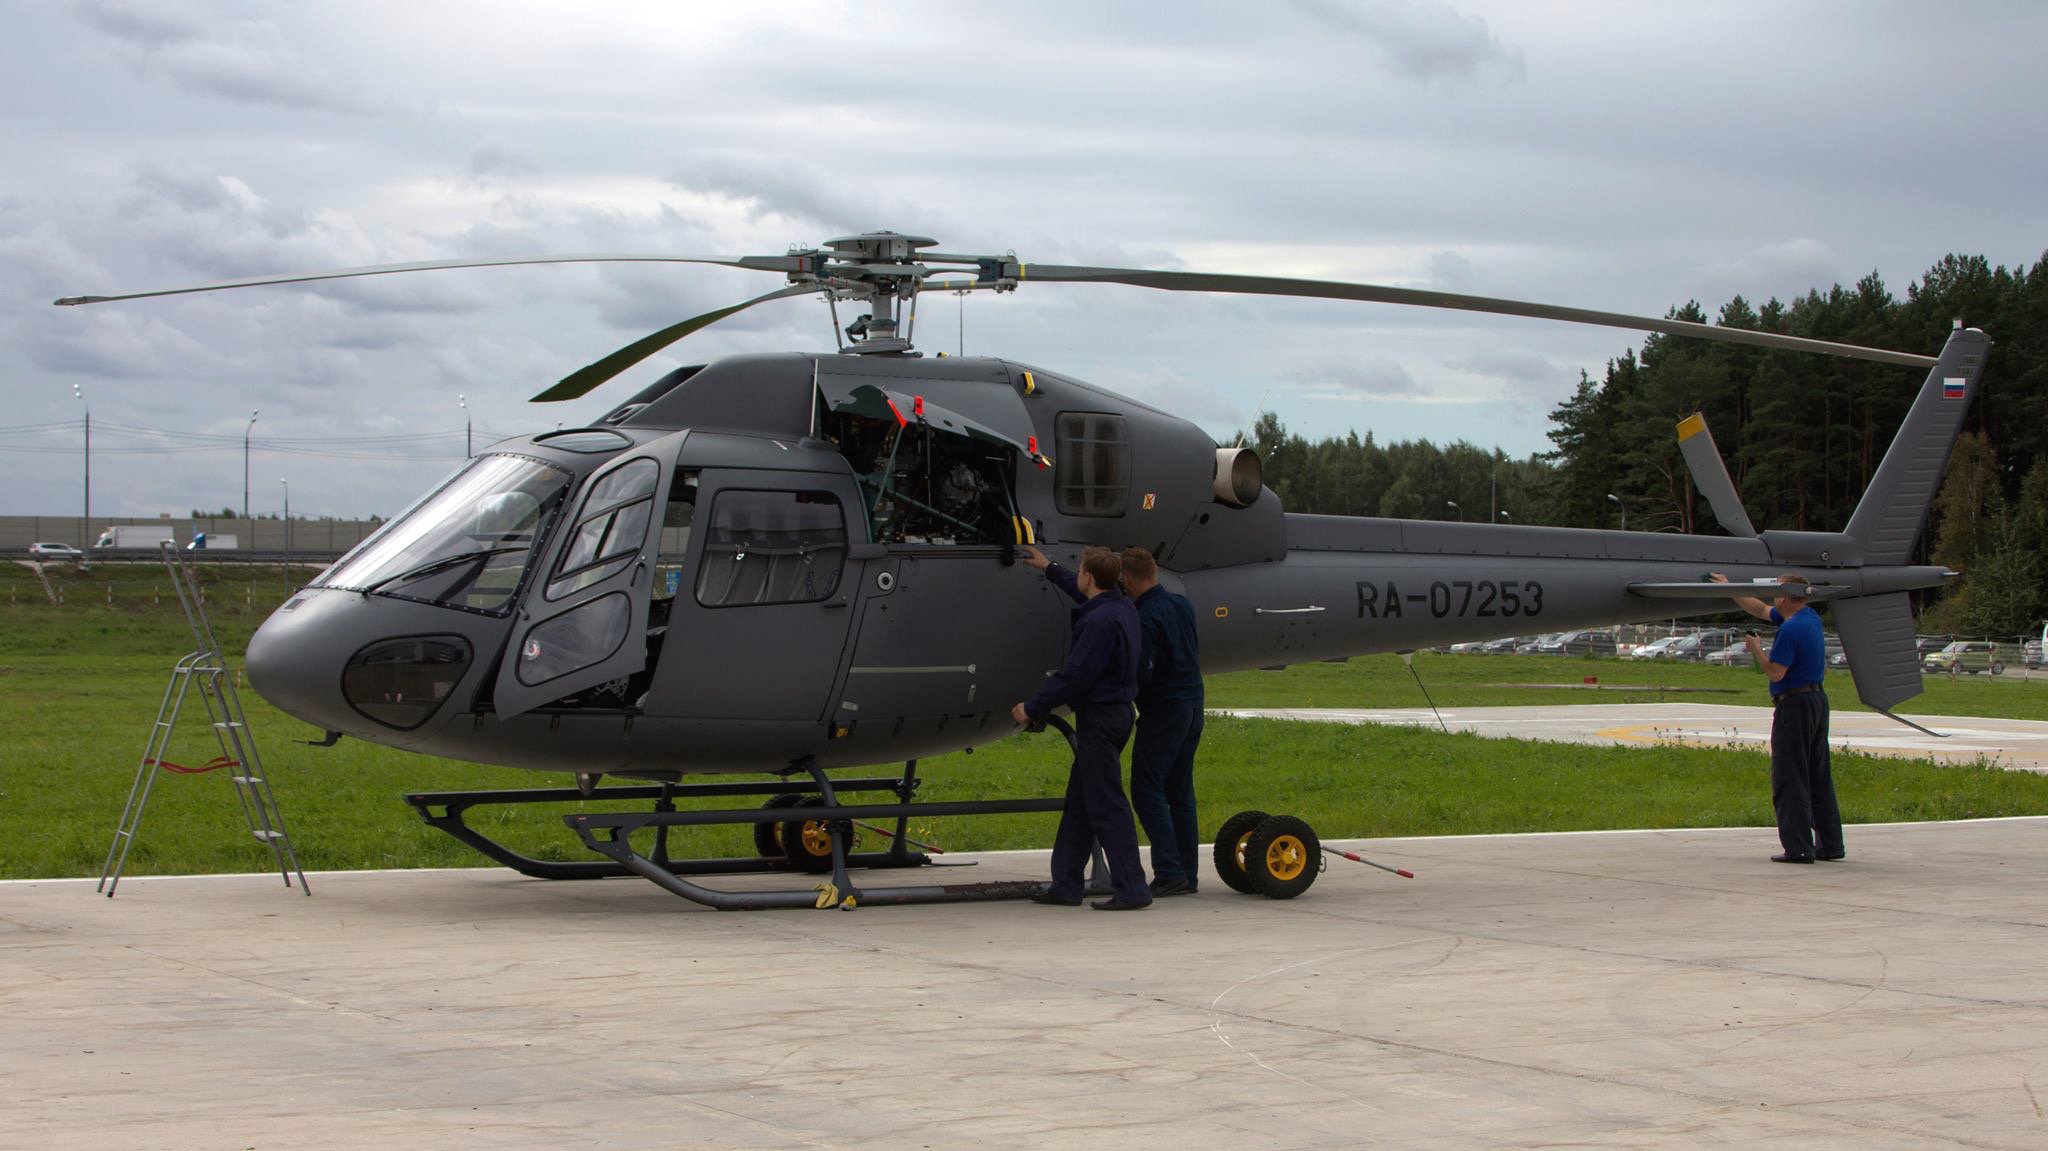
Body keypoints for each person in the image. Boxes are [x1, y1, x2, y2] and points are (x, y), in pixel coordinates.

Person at [1011, 545, 1152, 910]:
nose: (1078, 576)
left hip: (1101, 720)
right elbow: (1083, 594)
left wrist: (1032, 707)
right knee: (1080, 803)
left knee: (1106, 805)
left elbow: (1076, 675)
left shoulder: (1098, 622)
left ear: (1089, 576)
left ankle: (1133, 888)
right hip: (1116, 715)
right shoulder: (1120, 607)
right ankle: (1066, 885)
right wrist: (1048, 567)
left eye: (1080, 571)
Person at [1711, 572, 1844, 864]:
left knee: (1790, 775)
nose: (1773, 597)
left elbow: (1776, 673)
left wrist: (1757, 650)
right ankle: (1831, 844)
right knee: (1817, 774)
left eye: (1776, 591)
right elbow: (1759, 609)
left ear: (1784, 596)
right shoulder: (1809, 618)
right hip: (1817, 700)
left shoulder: (1790, 629)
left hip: (1794, 704)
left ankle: (1798, 848)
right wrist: (1730, 588)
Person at [1120, 546, 1205, 897]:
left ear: (1126, 580)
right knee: (1180, 791)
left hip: (1164, 709)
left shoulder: (1144, 617)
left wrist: (1122, 692)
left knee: (1146, 789)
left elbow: (1143, 671)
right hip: (1193, 702)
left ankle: (1169, 870)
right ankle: (1187, 872)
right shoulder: (1181, 604)